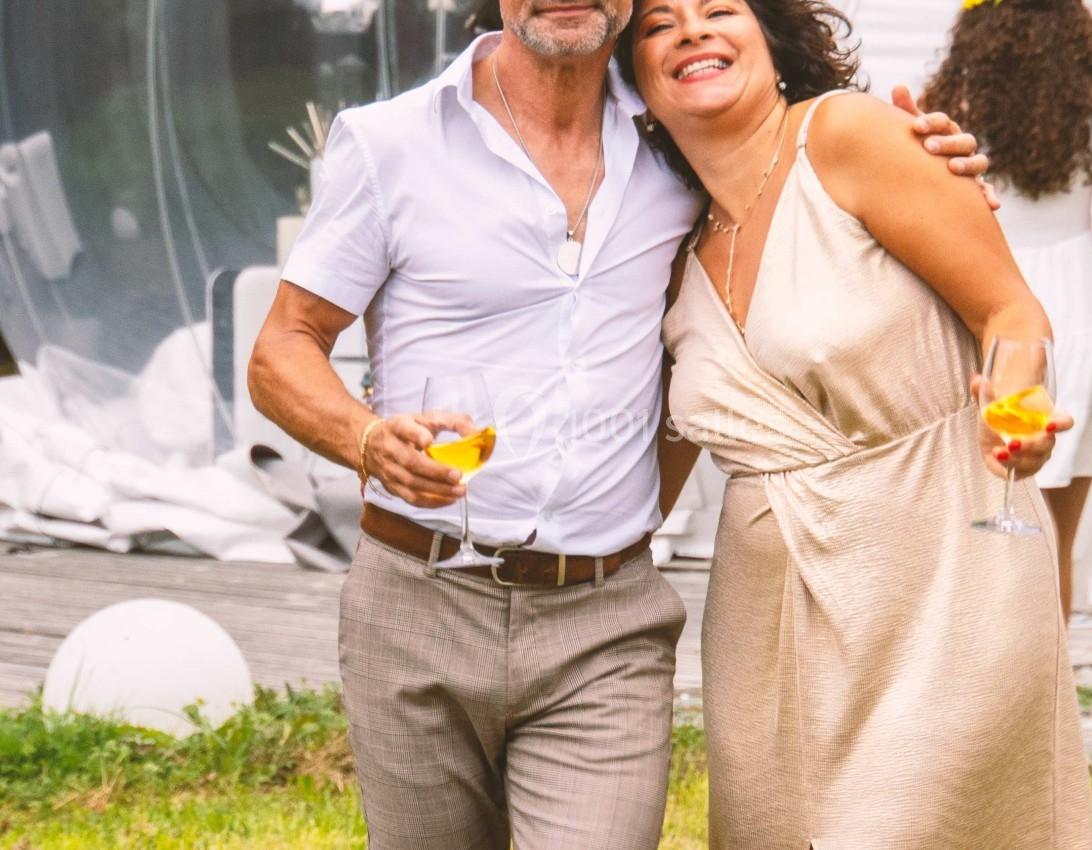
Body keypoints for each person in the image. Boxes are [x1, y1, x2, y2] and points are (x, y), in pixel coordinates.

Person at [247, 0, 988, 846]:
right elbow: (282, 350)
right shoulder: (390, 144)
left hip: (605, 623)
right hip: (414, 603)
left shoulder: (679, 149)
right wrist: (367, 439)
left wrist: (928, 161)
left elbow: (807, 178)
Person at [620, 0, 1092, 847]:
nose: (692, 29)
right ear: (634, 82)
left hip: (944, 577)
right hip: (766, 620)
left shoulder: (849, 138)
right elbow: (647, 475)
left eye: (720, 8)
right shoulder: (669, 251)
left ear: (771, 41)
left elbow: (1012, 312)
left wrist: (1011, 411)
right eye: (659, 23)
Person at [922, 0, 1092, 621]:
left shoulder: (954, 100)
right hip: (1079, 317)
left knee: (979, 537)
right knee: (1056, 541)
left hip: (984, 313)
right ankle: (1049, 699)